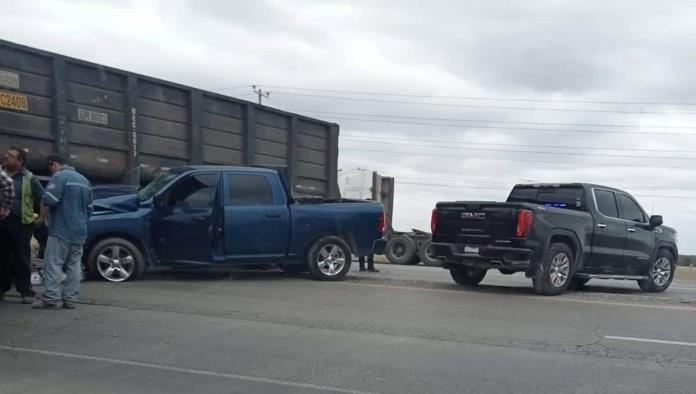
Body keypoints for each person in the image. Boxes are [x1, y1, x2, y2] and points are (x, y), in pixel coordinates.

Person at [33, 154, 92, 310]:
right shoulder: (84, 180)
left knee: (53, 263)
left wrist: (41, 218)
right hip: (79, 230)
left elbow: (49, 200)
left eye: (50, 168)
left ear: (54, 165)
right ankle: (70, 299)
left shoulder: (60, 176)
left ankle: (51, 298)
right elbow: (90, 209)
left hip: (61, 229)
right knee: (74, 265)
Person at [0, 147, 42, 304]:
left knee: (22, 258)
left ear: (20, 161)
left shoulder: (29, 178)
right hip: (1, 223)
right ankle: (1, 289)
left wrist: (40, 218)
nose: (6, 157)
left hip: (21, 224)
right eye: (6, 154)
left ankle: (26, 291)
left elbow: (41, 198)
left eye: (10, 156)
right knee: (1, 258)